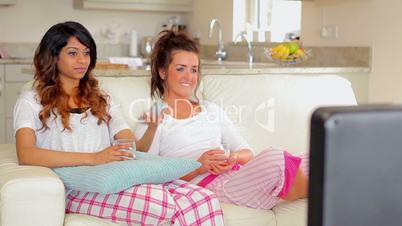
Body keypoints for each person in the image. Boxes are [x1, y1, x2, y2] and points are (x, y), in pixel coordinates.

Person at [14, 21, 224, 225]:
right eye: (72, 53)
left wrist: (152, 129)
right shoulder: (31, 101)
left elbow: (132, 148)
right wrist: (94, 158)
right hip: (75, 187)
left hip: (114, 177)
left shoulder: (103, 99)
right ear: (52, 56)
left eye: (86, 53)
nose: (82, 60)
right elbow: (26, 154)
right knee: (159, 203)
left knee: (203, 198)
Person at [135, 30, 310, 210]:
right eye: (180, 69)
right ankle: (314, 193)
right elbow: (151, 174)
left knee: (315, 157)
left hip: (236, 176)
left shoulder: (210, 109)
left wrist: (231, 157)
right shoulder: (152, 119)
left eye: (194, 70)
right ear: (162, 72)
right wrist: (199, 167)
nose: (189, 77)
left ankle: (299, 190)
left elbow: (247, 152)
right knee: (276, 158)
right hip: (210, 187)